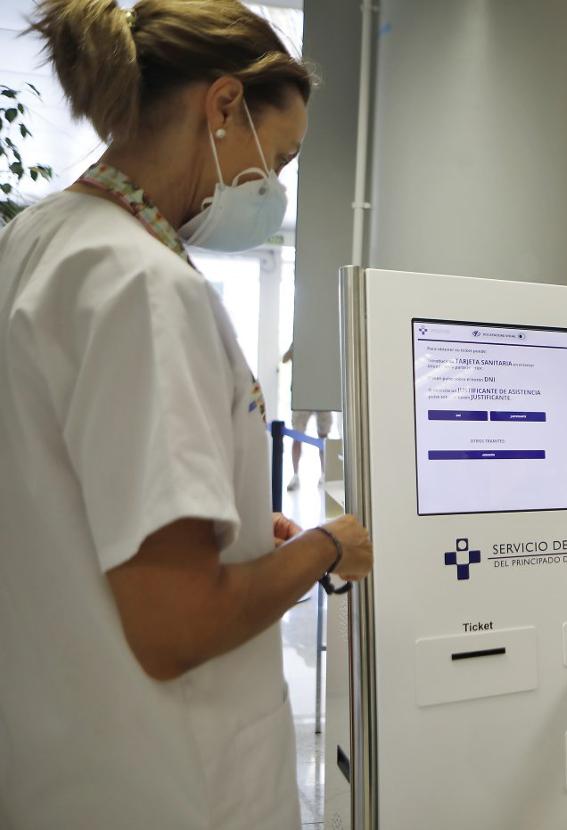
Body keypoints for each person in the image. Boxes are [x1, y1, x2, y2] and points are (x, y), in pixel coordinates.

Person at [0, 2, 373, 828]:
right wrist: (325, 548)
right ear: (224, 105)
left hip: (58, 757)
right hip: (167, 779)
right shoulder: (145, 285)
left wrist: (231, 529)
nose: (274, 187)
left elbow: (63, 493)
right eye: (279, 158)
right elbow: (176, 626)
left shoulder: (38, 237)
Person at [282, 344, 334, 489]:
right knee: (297, 436)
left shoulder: (324, 344)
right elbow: (284, 359)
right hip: (302, 395)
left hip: (322, 394)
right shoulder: (298, 342)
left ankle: (324, 474)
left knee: (323, 437)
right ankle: (295, 475)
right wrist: (294, 347)